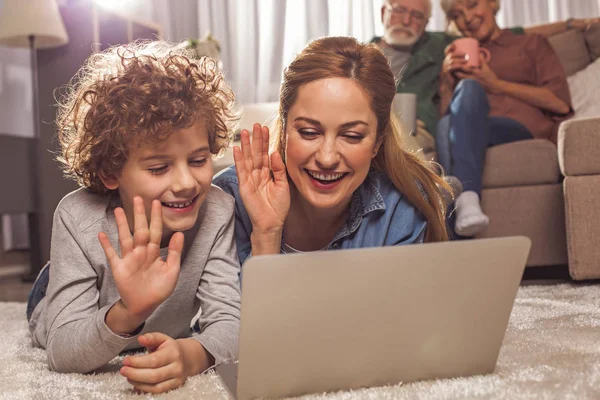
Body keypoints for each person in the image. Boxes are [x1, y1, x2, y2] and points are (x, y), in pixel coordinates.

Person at [26, 41, 242, 394]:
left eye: (199, 161)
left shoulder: (216, 209)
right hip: (58, 295)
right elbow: (63, 352)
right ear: (111, 172)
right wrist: (129, 310)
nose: (187, 183)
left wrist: (190, 355)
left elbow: (230, 325)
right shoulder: (76, 216)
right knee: (51, 302)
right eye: (159, 167)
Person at [213, 36, 450, 267]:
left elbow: (402, 306)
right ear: (284, 129)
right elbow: (237, 308)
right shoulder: (226, 201)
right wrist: (266, 235)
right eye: (309, 132)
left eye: (352, 136)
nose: (327, 158)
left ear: (378, 141)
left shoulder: (400, 208)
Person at [374, 0, 598, 145]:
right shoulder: (361, 54)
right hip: (377, 123)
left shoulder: (440, 44)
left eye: (416, 16)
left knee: (451, 115)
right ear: (384, 11)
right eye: (400, 11)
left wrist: (571, 24)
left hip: (419, 128)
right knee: (445, 125)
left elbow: (515, 34)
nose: (406, 21)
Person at [437, 0, 573, 237]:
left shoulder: (531, 43)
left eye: (472, 5)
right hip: (473, 130)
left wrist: (495, 84)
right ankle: (466, 209)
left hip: (520, 128)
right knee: (446, 122)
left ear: (493, 3)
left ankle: (454, 223)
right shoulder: (458, 59)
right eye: (458, 14)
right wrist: (445, 82)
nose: (467, 18)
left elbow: (559, 103)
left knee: (465, 93)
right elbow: (448, 120)